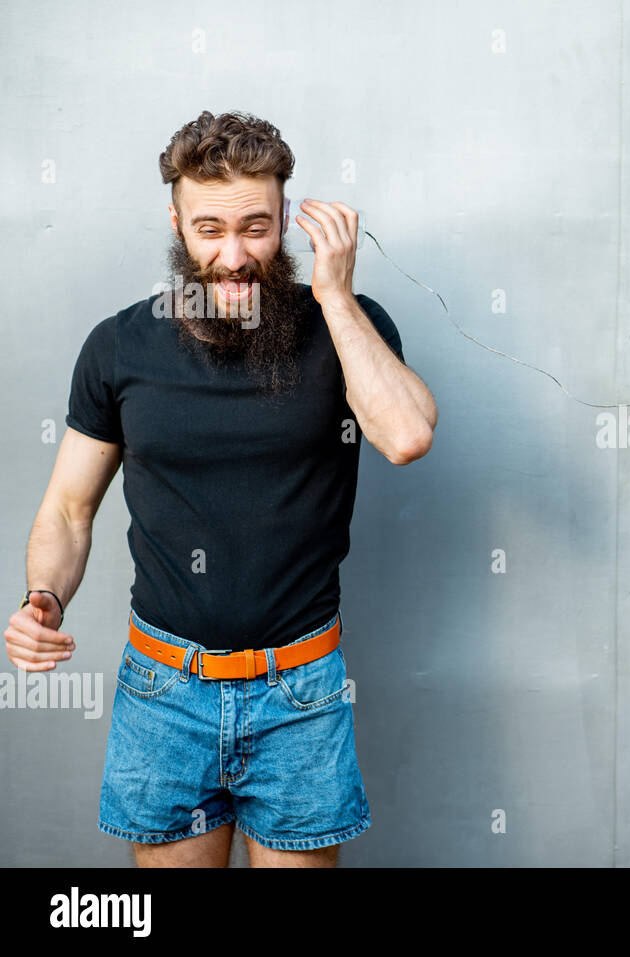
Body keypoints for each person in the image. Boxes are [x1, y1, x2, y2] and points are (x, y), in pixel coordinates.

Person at [4, 110, 439, 867]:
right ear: (175, 221)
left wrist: (335, 297)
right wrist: (44, 597)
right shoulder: (119, 347)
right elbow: (70, 510)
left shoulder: (349, 329)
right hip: (163, 691)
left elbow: (405, 435)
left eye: (257, 228)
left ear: (286, 220)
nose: (234, 256)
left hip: (300, 691)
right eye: (209, 230)